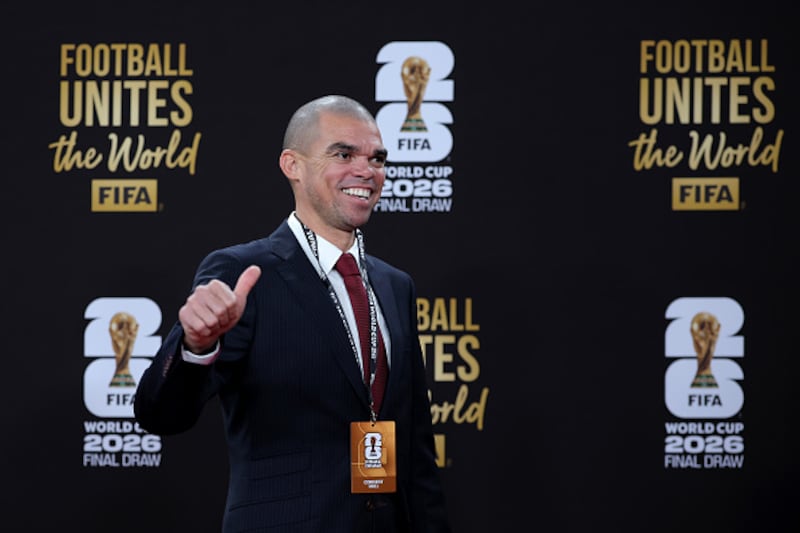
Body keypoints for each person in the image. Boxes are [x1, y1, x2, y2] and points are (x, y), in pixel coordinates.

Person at [134, 94, 452, 533]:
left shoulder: (396, 286)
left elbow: (416, 450)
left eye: (377, 158)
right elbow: (162, 414)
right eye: (344, 154)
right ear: (292, 165)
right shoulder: (245, 273)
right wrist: (196, 346)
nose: (367, 171)